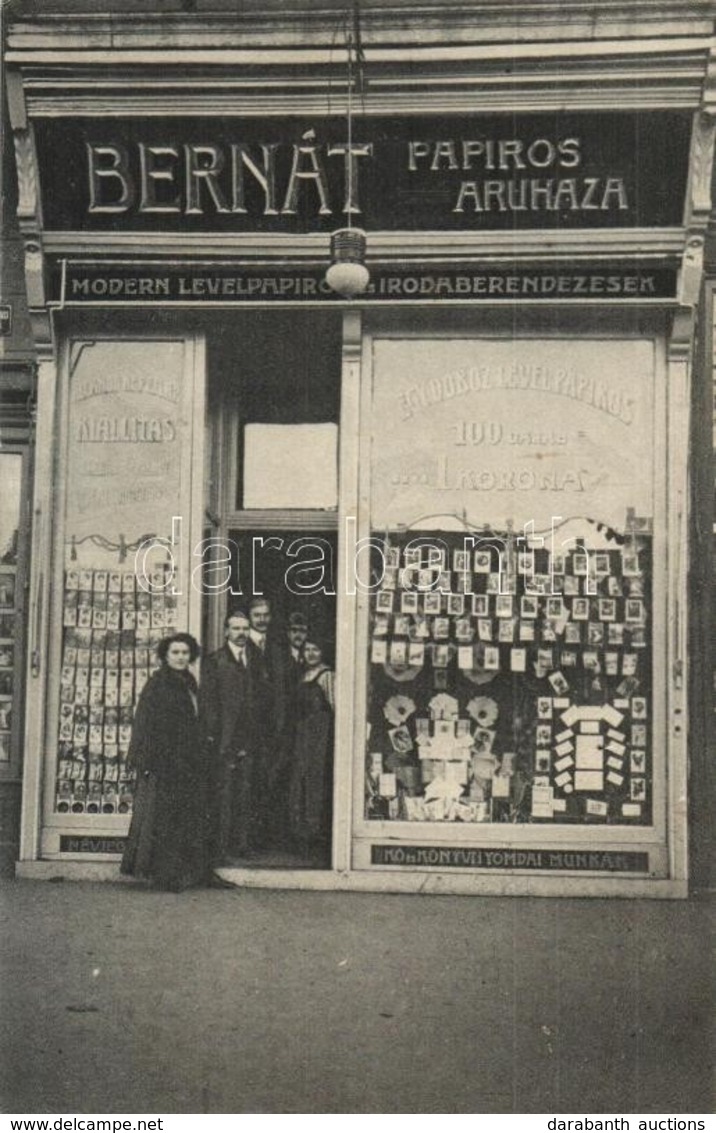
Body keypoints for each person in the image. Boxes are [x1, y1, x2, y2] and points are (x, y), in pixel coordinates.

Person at [120, 632, 210, 892]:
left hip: (187, 761)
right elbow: (145, 723)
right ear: (165, 656)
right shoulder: (158, 684)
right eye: (175, 653)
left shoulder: (189, 681)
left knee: (183, 817)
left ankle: (181, 872)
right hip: (165, 761)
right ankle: (164, 875)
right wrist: (145, 759)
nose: (181, 657)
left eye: (185, 653)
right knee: (164, 819)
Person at [200, 610, 260, 863]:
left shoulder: (256, 658)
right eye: (236, 629)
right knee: (223, 796)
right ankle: (221, 848)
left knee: (246, 795)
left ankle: (242, 844)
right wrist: (214, 736)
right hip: (225, 739)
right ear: (226, 632)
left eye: (245, 629)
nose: (241, 634)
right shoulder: (215, 661)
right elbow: (210, 702)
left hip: (250, 739)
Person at [288, 634, 335, 854]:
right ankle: (299, 833)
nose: (311, 654)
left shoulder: (327, 675)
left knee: (315, 781)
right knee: (300, 780)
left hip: (319, 734)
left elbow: (335, 707)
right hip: (302, 733)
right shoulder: (303, 675)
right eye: (307, 650)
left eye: (315, 649)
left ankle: (314, 832)